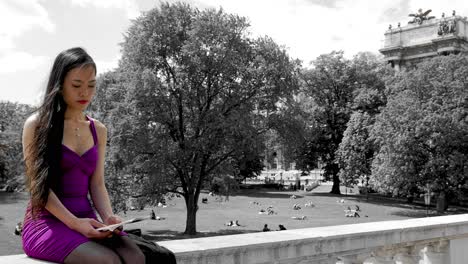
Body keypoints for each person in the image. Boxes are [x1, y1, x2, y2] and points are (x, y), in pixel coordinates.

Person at [21, 47, 145, 264]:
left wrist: (108, 218)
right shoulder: (37, 125)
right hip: (47, 223)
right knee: (107, 261)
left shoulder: (99, 129)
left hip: (89, 221)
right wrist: (75, 223)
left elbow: (97, 184)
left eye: (91, 85)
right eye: (77, 85)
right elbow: (38, 189)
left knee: (136, 258)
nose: (85, 93)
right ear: (59, 86)